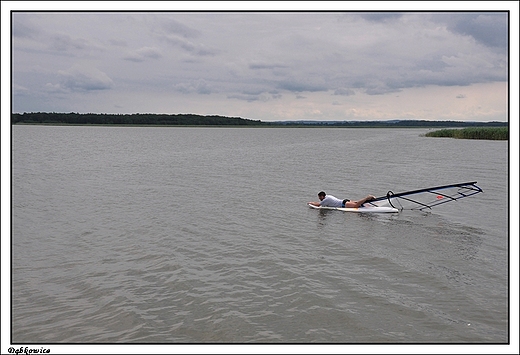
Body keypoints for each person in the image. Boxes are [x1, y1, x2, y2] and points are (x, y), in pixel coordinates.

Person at [308, 191, 376, 208]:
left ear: (322, 196)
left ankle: (367, 197)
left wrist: (311, 203)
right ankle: (368, 200)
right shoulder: (328, 196)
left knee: (356, 206)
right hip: (344, 201)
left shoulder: (326, 200)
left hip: (343, 204)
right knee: (358, 202)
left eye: (319, 197)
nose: (319, 198)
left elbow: (318, 205)